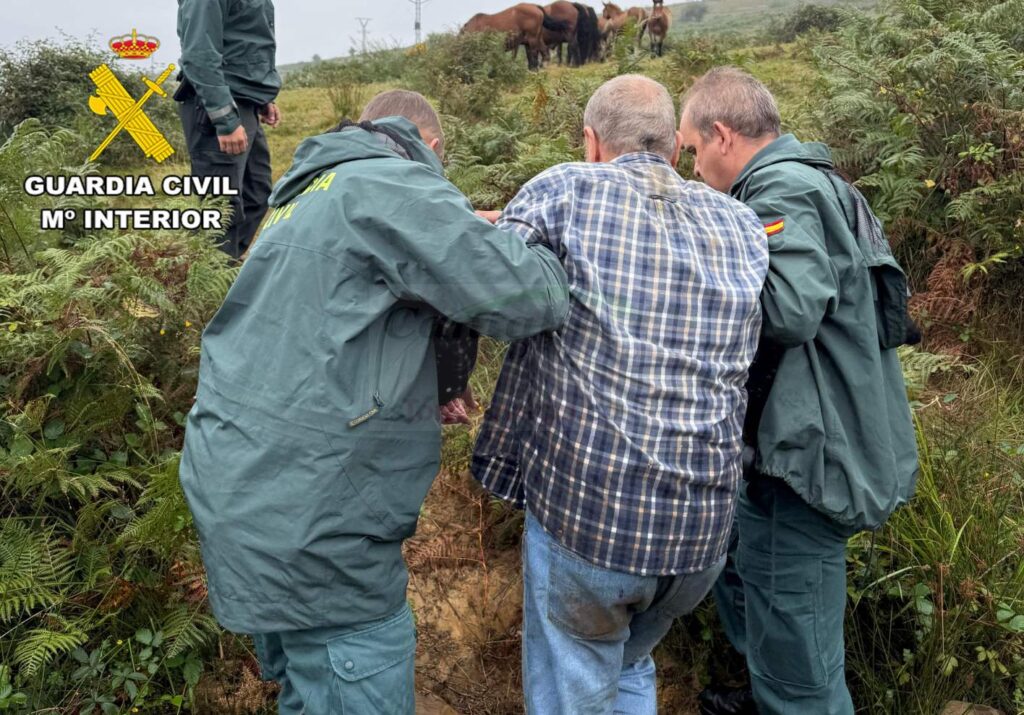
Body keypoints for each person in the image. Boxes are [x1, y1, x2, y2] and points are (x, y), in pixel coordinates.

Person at [179, 90, 571, 715]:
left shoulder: (308, 193)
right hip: (315, 522)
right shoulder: (396, 185)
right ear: (430, 147)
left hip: (239, 486)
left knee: (310, 681)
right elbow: (531, 297)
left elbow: (341, 319)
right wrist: (539, 243)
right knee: (354, 664)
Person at [472, 75, 770, 714]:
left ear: (591, 141)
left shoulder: (564, 189)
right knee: (630, 662)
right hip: (700, 538)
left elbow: (487, 287)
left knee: (577, 676)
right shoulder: (742, 223)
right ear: (673, 146)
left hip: (597, 527)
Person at [678, 67, 919, 715]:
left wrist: (690, 270)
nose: (693, 168)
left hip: (807, 458)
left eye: (693, 150)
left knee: (800, 661)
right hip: (807, 438)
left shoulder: (780, 189)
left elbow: (789, 309)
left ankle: (785, 696)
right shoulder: (814, 179)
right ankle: (766, 690)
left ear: (722, 135)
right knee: (750, 575)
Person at [175, 0, 281, 259]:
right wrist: (224, 118)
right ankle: (208, 273)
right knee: (221, 205)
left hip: (244, 100)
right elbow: (199, 54)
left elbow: (242, 40)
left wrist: (259, 97)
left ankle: (224, 265)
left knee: (257, 192)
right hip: (218, 107)